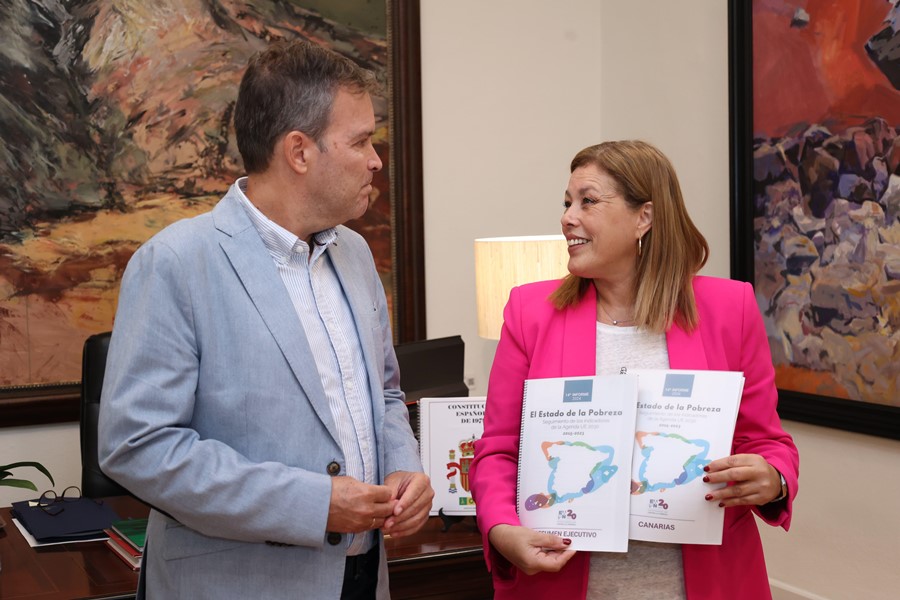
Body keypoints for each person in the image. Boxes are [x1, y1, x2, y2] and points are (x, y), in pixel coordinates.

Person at [98, 39, 433, 600]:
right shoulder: (177, 262)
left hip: (362, 578)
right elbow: (139, 446)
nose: (377, 160)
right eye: (361, 141)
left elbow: (388, 393)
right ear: (299, 152)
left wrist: (404, 469)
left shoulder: (354, 255)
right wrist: (313, 503)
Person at [469, 140, 799, 599]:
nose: (568, 217)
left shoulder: (730, 308)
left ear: (643, 217)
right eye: (567, 203)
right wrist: (503, 528)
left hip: (702, 584)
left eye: (588, 201)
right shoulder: (530, 312)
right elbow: (498, 451)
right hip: (562, 583)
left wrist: (772, 477)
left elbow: (766, 441)